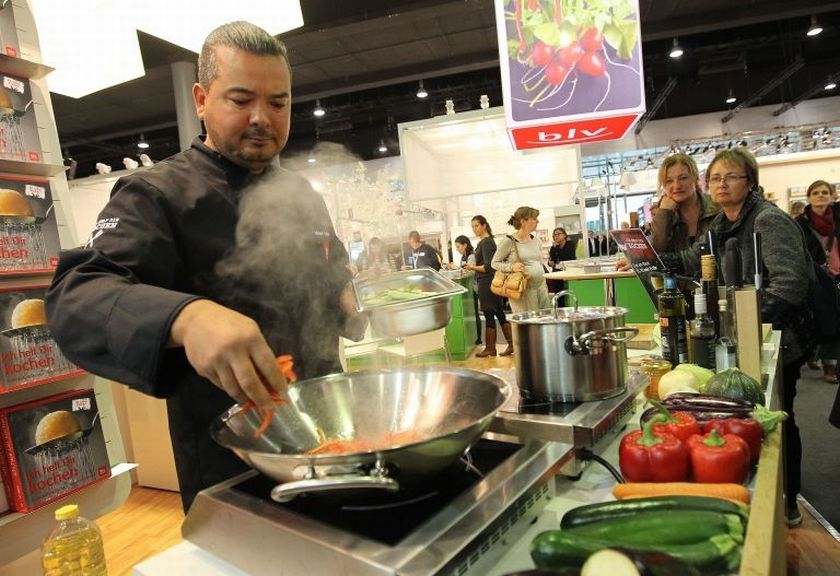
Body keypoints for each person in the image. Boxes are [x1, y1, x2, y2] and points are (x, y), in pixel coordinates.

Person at [44, 22, 367, 512]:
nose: (262, 117)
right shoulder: (155, 194)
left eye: (278, 102)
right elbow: (76, 297)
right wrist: (187, 317)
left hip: (332, 433)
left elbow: (332, 266)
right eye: (240, 100)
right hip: (234, 463)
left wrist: (350, 298)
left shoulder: (300, 194)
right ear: (200, 99)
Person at [661, 147, 813, 527]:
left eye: (731, 177)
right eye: (715, 178)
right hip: (741, 336)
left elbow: (790, 284)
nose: (721, 184)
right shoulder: (722, 224)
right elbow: (691, 261)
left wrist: (752, 323)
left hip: (780, 338)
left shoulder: (768, 220)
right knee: (745, 414)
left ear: (750, 182)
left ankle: (788, 500)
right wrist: (645, 258)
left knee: (779, 416)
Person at [795, 180, 840, 384]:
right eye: (815, 192)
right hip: (816, 279)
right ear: (809, 197)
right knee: (820, 320)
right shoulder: (801, 223)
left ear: (832, 195)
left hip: (838, 276)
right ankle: (819, 358)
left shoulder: (838, 218)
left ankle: (830, 364)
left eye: (824, 192)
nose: (820, 196)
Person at [651, 153, 720, 253]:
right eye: (669, 181)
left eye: (683, 178)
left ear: (695, 178)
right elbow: (657, 252)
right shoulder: (663, 215)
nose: (677, 185)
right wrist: (664, 214)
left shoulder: (717, 207)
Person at [464, 216, 513, 356]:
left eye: (477, 225)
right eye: (472, 226)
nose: (474, 229)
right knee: (499, 313)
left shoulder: (486, 243)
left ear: (484, 226)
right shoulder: (487, 242)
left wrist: (472, 267)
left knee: (489, 313)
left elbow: (488, 267)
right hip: (490, 281)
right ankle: (510, 344)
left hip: (487, 282)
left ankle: (491, 348)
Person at [492, 206, 551, 314]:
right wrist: (511, 267)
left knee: (544, 321)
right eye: (534, 219)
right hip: (522, 289)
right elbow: (494, 263)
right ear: (523, 221)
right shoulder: (509, 241)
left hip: (541, 287)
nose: (538, 221)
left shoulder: (536, 240)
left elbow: (539, 263)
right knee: (528, 325)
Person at [451, 235, 481, 345]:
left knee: (475, 314)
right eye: (456, 247)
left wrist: (457, 269)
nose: (457, 249)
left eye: (458, 247)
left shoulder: (471, 256)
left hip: (472, 288)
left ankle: (478, 338)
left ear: (465, 245)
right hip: (467, 289)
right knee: (471, 314)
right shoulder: (463, 257)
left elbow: (471, 272)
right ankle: (473, 337)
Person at [546, 227, 576, 294]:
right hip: (557, 273)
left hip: (568, 272)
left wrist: (556, 248)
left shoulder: (570, 244)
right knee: (559, 294)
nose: (556, 236)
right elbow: (551, 260)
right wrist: (550, 263)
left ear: (564, 235)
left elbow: (566, 257)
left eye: (558, 234)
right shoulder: (553, 247)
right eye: (554, 235)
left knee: (569, 293)